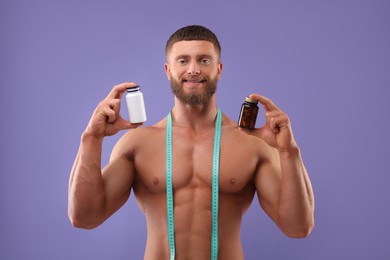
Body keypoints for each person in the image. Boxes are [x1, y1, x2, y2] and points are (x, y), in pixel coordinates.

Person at [68, 25, 315, 260]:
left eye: (204, 60)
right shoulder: (137, 144)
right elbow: (85, 217)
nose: (193, 69)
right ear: (168, 70)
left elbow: (298, 227)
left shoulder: (251, 144)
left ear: (219, 68)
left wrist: (288, 151)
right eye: (183, 60)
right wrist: (91, 139)